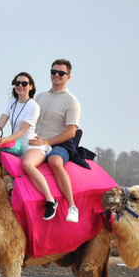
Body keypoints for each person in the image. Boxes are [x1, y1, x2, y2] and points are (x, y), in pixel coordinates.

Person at [22, 59, 82, 223]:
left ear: (68, 77)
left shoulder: (71, 102)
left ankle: (71, 206)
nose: (56, 75)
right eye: (53, 72)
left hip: (60, 143)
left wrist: (47, 142)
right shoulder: (40, 97)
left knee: (55, 161)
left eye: (61, 73)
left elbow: (71, 132)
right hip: (37, 141)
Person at [0, 72, 40, 157]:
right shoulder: (11, 103)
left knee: (27, 165)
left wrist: (5, 140)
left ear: (31, 86)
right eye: (17, 83)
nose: (20, 86)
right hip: (13, 144)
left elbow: (20, 132)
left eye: (24, 83)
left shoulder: (34, 107)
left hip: (28, 146)